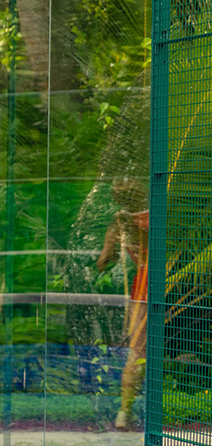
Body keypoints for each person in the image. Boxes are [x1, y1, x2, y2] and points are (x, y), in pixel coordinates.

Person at [95, 178, 148, 431]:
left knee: (137, 353)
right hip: (176, 281)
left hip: (144, 287)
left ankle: (124, 413)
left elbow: (103, 262)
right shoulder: (161, 217)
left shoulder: (120, 224)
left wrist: (118, 246)